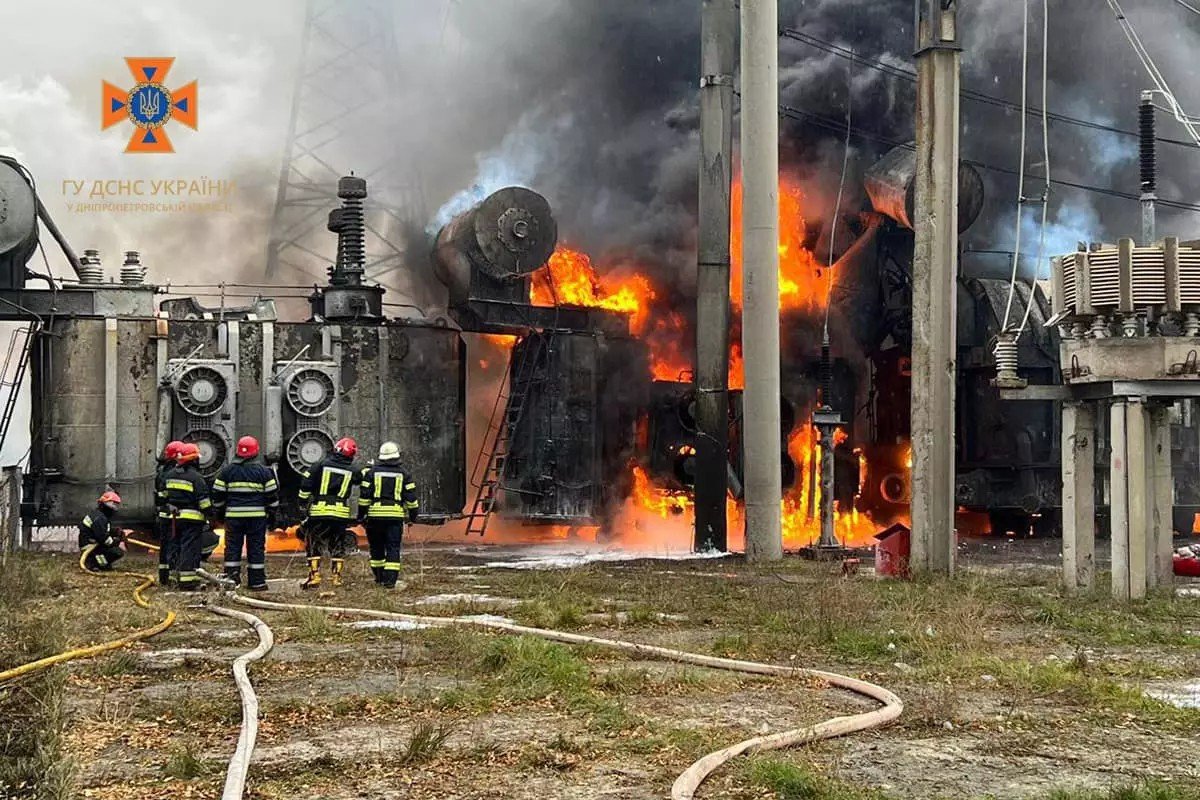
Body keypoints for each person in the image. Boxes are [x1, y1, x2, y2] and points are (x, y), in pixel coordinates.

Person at [211, 435, 279, 591]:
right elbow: (272, 497)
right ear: (256, 452)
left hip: (233, 518)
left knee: (233, 548)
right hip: (256, 519)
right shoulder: (264, 472)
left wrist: (220, 513)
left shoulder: (227, 471)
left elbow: (218, 495)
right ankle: (257, 582)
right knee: (256, 548)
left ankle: (231, 581)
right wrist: (272, 514)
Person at [297, 436, 359, 589]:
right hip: (340, 514)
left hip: (320, 511)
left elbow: (306, 484)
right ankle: (336, 578)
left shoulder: (320, 465)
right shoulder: (353, 470)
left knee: (314, 543)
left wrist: (302, 504)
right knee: (337, 545)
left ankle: (315, 577)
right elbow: (362, 479)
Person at [358, 441, 419, 588]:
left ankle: (379, 578)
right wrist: (412, 516)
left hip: (375, 516)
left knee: (376, 547)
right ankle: (390, 582)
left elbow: (364, 497)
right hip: (395, 517)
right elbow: (411, 498)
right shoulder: (404, 474)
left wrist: (361, 516)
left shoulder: (371, 473)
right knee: (393, 547)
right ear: (397, 456)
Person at [163, 442, 214, 591]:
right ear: (193, 460)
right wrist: (210, 515)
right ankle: (187, 581)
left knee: (175, 546)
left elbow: (164, 496)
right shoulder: (196, 478)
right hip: (192, 519)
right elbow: (204, 502)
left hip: (174, 518)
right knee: (189, 548)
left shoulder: (170, 475)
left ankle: (173, 578)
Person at [154, 440, 185, 586]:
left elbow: (160, 497)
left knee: (165, 547)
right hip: (172, 516)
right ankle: (173, 575)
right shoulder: (175, 473)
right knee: (174, 545)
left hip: (163, 515)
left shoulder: (162, 471)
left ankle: (164, 577)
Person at [79, 491, 125, 571]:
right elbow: (102, 537)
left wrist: (115, 531)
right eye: (114, 505)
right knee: (117, 552)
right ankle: (94, 563)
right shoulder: (99, 518)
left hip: (92, 543)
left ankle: (99, 562)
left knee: (112, 549)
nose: (115, 508)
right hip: (90, 546)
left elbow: (102, 530)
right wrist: (115, 541)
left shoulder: (99, 515)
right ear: (107, 504)